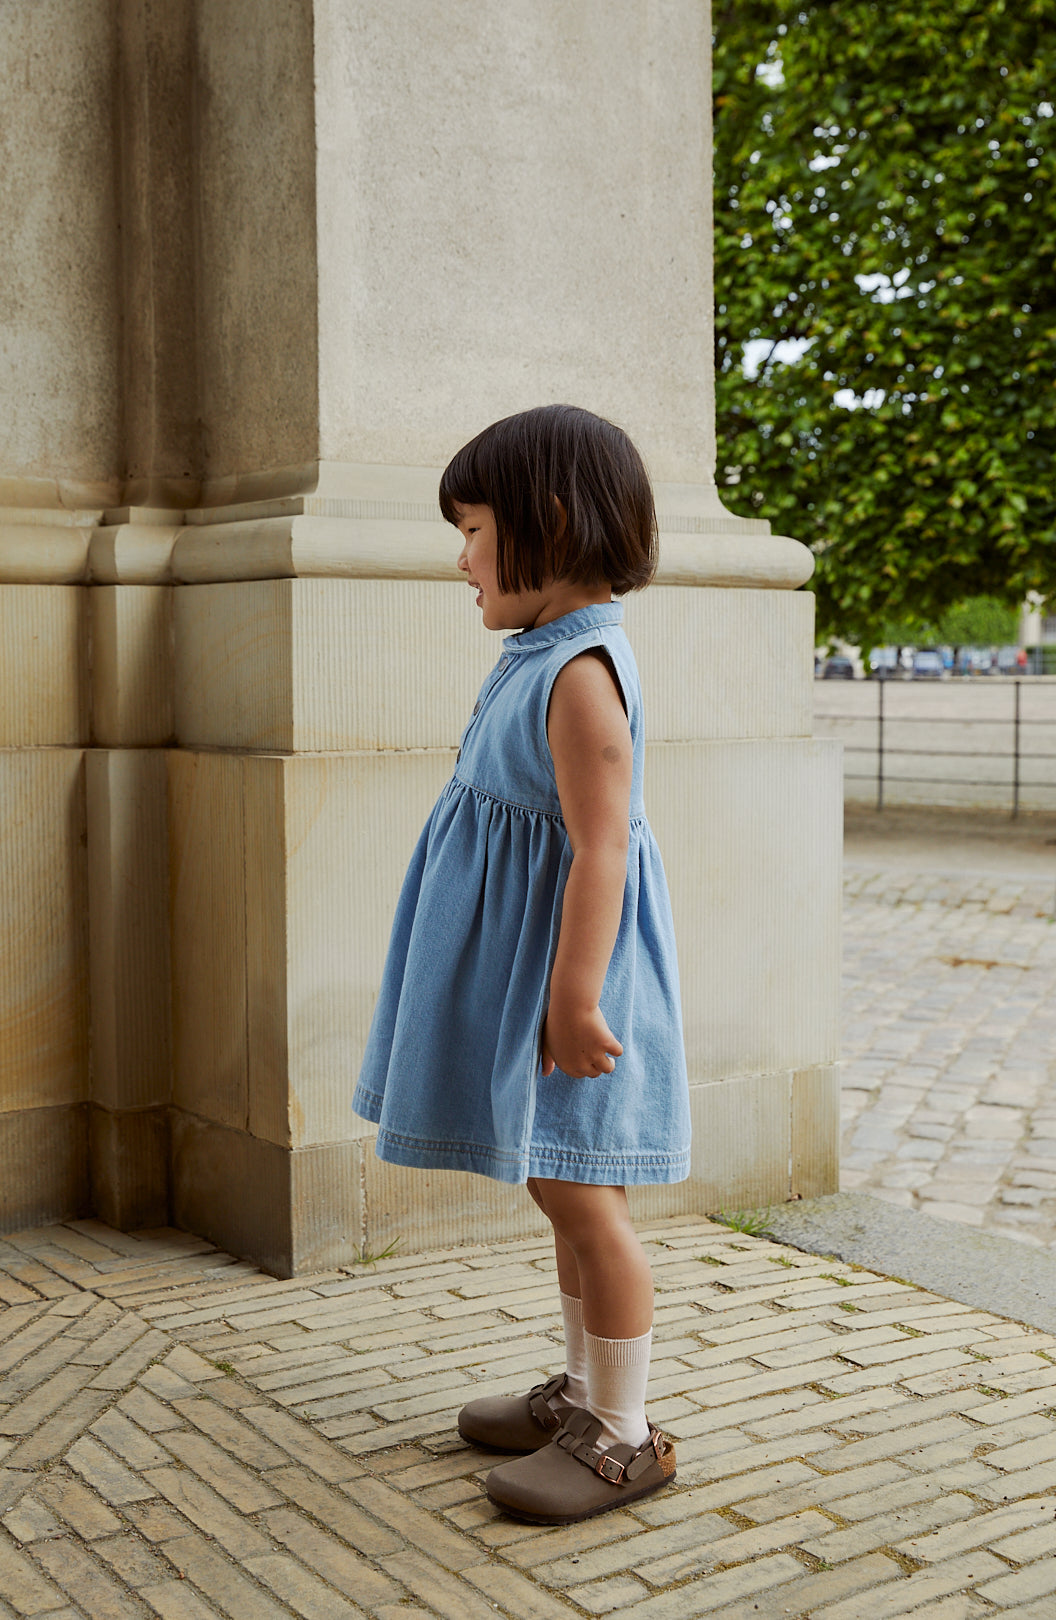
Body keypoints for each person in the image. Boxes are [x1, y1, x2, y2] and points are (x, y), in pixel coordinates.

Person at [352, 404, 691, 1524]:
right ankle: (584, 1398)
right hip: (533, 975)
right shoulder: (538, 654)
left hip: (568, 981)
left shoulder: (581, 673)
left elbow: (602, 847)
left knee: (588, 1201)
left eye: (472, 530)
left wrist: (575, 995)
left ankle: (625, 1435)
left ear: (547, 519)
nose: (461, 558)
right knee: (558, 1183)